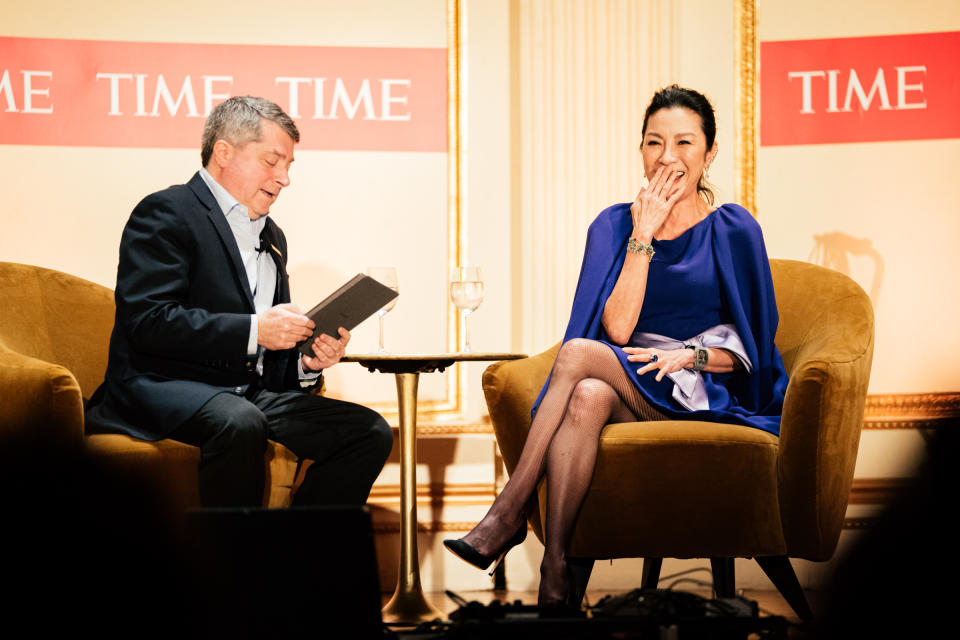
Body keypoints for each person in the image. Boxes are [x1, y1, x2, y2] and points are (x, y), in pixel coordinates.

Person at [444, 85, 788, 606]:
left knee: (579, 354)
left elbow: (753, 344)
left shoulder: (732, 228)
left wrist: (689, 355)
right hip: (636, 383)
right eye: (654, 142)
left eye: (684, 143)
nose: (667, 157)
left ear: (709, 152)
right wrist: (643, 233)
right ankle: (556, 568)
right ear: (640, 149)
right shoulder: (613, 225)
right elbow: (621, 332)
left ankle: (508, 513)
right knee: (585, 395)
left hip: (702, 393)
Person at [85, 96, 393, 508]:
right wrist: (255, 330)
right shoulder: (166, 212)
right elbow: (149, 321)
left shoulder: (273, 236)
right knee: (239, 420)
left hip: (244, 392)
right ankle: (232, 567)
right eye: (272, 161)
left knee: (368, 431)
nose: (284, 178)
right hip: (159, 385)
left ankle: (303, 562)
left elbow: (267, 361)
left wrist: (305, 363)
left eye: (288, 166)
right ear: (224, 152)